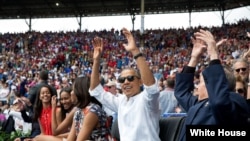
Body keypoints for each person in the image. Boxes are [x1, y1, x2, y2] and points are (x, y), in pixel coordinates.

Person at [174, 29, 250, 141]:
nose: (197, 86)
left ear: (212, 85)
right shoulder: (198, 104)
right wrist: (194, 58)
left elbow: (220, 102)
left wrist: (213, 54)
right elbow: (181, 92)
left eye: (200, 82)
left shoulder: (235, 101)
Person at [89, 28, 161, 141]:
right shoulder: (121, 101)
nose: (126, 82)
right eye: (122, 80)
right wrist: (96, 60)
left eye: (130, 78)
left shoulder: (147, 99)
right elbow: (95, 90)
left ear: (140, 81)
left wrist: (135, 51)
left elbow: (152, 88)